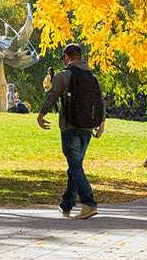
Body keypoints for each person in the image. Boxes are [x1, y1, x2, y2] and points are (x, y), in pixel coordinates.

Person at [37, 43, 105, 220]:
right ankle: (66, 205)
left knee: (75, 167)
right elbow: (100, 101)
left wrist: (41, 114)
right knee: (75, 167)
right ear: (81, 57)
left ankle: (89, 203)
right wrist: (101, 123)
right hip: (87, 128)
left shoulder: (63, 76)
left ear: (66, 58)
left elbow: (51, 96)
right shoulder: (92, 77)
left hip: (70, 127)